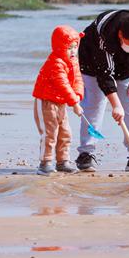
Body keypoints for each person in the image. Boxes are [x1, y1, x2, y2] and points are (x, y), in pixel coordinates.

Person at [76, 9, 129, 172]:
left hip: (127, 66)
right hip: (92, 62)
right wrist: (115, 104)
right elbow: (104, 73)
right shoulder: (105, 34)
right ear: (121, 34)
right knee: (94, 106)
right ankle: (86, 153)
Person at [32, 25, 84, 175]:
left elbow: (77, 80)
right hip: (46, 101)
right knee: (49, 133)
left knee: (65, 132)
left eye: (75, 47)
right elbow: (62, 84)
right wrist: (73, 103)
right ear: (60, 47)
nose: (73, 51)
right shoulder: (55, 63)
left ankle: (62, 161)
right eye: (69, 48)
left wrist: (78, 97)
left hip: (61, 103)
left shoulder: (73, 61)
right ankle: (45, 162)